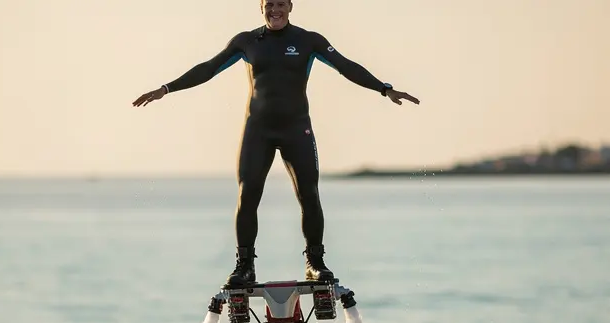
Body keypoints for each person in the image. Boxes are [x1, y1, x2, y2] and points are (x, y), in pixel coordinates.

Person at [133, 0, 419, 287]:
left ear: (291, 6)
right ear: (261, 7)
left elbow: (345, 66)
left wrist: (385, 89)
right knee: (248, 195)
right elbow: (209, 68)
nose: (275, 10)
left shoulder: (309, 41)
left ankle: (315, 263)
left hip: (297, 130)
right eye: (269, 5)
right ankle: (245, 266)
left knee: (309, 194)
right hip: (258, 131)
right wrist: (166, 89)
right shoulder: (246, 42)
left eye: (280, 4)